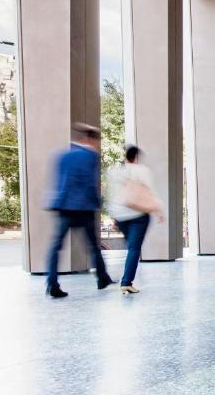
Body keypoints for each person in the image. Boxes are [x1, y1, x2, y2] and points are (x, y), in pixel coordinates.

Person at [45, 122, 114, 298]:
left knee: (56, 247)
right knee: (92, 246)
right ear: (89, 139)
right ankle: (102, 277)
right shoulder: (89, 156)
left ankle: (52, 283)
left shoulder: (63, 155)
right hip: (83, 207)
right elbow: (89, 182)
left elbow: (59, 181)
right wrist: (98, 203)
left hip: (64, 206)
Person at [108, 145, 163, 294]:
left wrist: (114, 216)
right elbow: (149, 192)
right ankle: (126, 282)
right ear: (136, 157)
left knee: (130, 248)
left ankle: (126, 280)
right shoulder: (142, 171)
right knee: (134, 249)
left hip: (120, 216)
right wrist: (158, 210)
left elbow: (113, 195)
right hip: (138, 216)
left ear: (126, 156)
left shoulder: (114, 171)